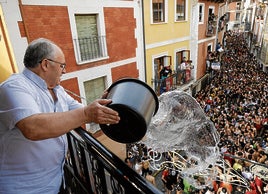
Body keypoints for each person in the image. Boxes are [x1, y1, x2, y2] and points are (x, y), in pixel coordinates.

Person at [0, 38, 120, 194]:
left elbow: (81, 111)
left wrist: (103, 105)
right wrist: (86, 113)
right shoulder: (14, 87)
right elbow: (33, 127)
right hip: (23, 188)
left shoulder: (58, 90)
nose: (64, 71)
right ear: (45, 64)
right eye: (62, 66)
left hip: (57, 181)